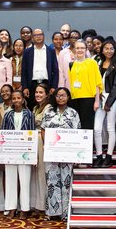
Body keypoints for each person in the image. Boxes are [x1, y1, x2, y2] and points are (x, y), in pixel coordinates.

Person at [41, 87, 81, 220]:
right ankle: (52, 213)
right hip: (52, 153)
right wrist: (46, 145)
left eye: (63, 95)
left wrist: (76, 153)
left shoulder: (73, 113)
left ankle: (66, 212)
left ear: (68, 97)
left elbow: (78, 133)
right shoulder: (48, 112)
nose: (60, 98)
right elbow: (43, 130)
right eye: (58, 96)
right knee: (52, 181)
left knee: (66, 181)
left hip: (67, 153)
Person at [2, 90, 34, 219]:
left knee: (25, 180)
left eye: (18, 98)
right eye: (13, 98)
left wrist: (33, 153)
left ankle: (24, 208)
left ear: (23, 99)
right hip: (10, 151)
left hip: (25, 151)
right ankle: (11, 208)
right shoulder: (7, 114)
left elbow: (32, 133)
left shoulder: (29, 114)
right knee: (10, 179)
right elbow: (3, 133)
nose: (16, 100)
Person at [93, 39, 116, 167]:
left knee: (110, 128)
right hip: (99, 97)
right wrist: (97, 98)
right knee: (97, 129)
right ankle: (99, 155)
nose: (108, 51)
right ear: (102, 50)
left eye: (111, 48)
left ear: (115, 50)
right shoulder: (97, 63)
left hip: (111, 98)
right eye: (106, 48)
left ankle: (109, 156)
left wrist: (108, 103)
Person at [68, 40, 102, 135]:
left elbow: (97, 83)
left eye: (82, 48)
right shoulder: (72, 64)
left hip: (88, 98)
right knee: (76, 125)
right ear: (74, 50)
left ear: (86, 49)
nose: (80, 50)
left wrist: (97, 101)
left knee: (87, 125)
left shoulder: (92, 63)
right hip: (74, 98)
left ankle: (88, 148)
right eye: (77, 48)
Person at [21, 28, 59, 107]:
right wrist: (24, 87)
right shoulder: (27, 52)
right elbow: (24, 71)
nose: (38, 37)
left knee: (47, 108)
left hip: (47, 84)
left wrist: (54, 86)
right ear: (32, 37)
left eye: (40, 35)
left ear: (44, 36)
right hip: (32, 85)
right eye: (36, 35)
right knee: (32, 108)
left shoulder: (51, 51)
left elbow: (55, 71)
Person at [30, 84, 51, 213]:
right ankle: (36, 203)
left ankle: (43, 204)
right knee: (35, 173)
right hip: (33, 140)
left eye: (41, 92)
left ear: (47, 94)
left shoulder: (48, 108)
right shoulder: (35, 108)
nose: (38, 94)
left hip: (42, 140)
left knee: (42, 172)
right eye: (36, 92)